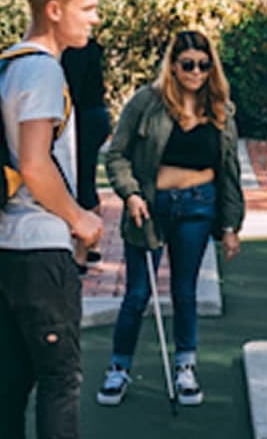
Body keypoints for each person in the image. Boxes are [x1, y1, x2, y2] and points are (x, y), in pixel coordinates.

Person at [0, 0, 146, 439]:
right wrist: (80, 220)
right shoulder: (44, 72)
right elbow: (33, 163)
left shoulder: (4, 65)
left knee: (12, 376)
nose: (95, 18)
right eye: (88, 7)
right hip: (36, 248)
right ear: (54, 9)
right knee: (60, 376)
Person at [99, 30, 244, 408]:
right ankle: (118, 368)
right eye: (188, 65)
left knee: (185, 290)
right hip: (150, 206)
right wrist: (130, 193)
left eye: (203, 64)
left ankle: (185, 368)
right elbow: (116, 155)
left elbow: (229, 171)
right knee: (137, 294)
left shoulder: (220, 109)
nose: (196, 72)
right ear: (173, 66)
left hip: (200, 205)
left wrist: (230, 226)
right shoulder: (147, 102)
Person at [61, 36, 110, 271]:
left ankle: (82, 251)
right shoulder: (87, 47)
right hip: (95, 114)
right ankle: (93, 246)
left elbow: (73, 90)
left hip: (84, 119)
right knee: (87, 178)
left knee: (82, 181)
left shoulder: (74, 49)